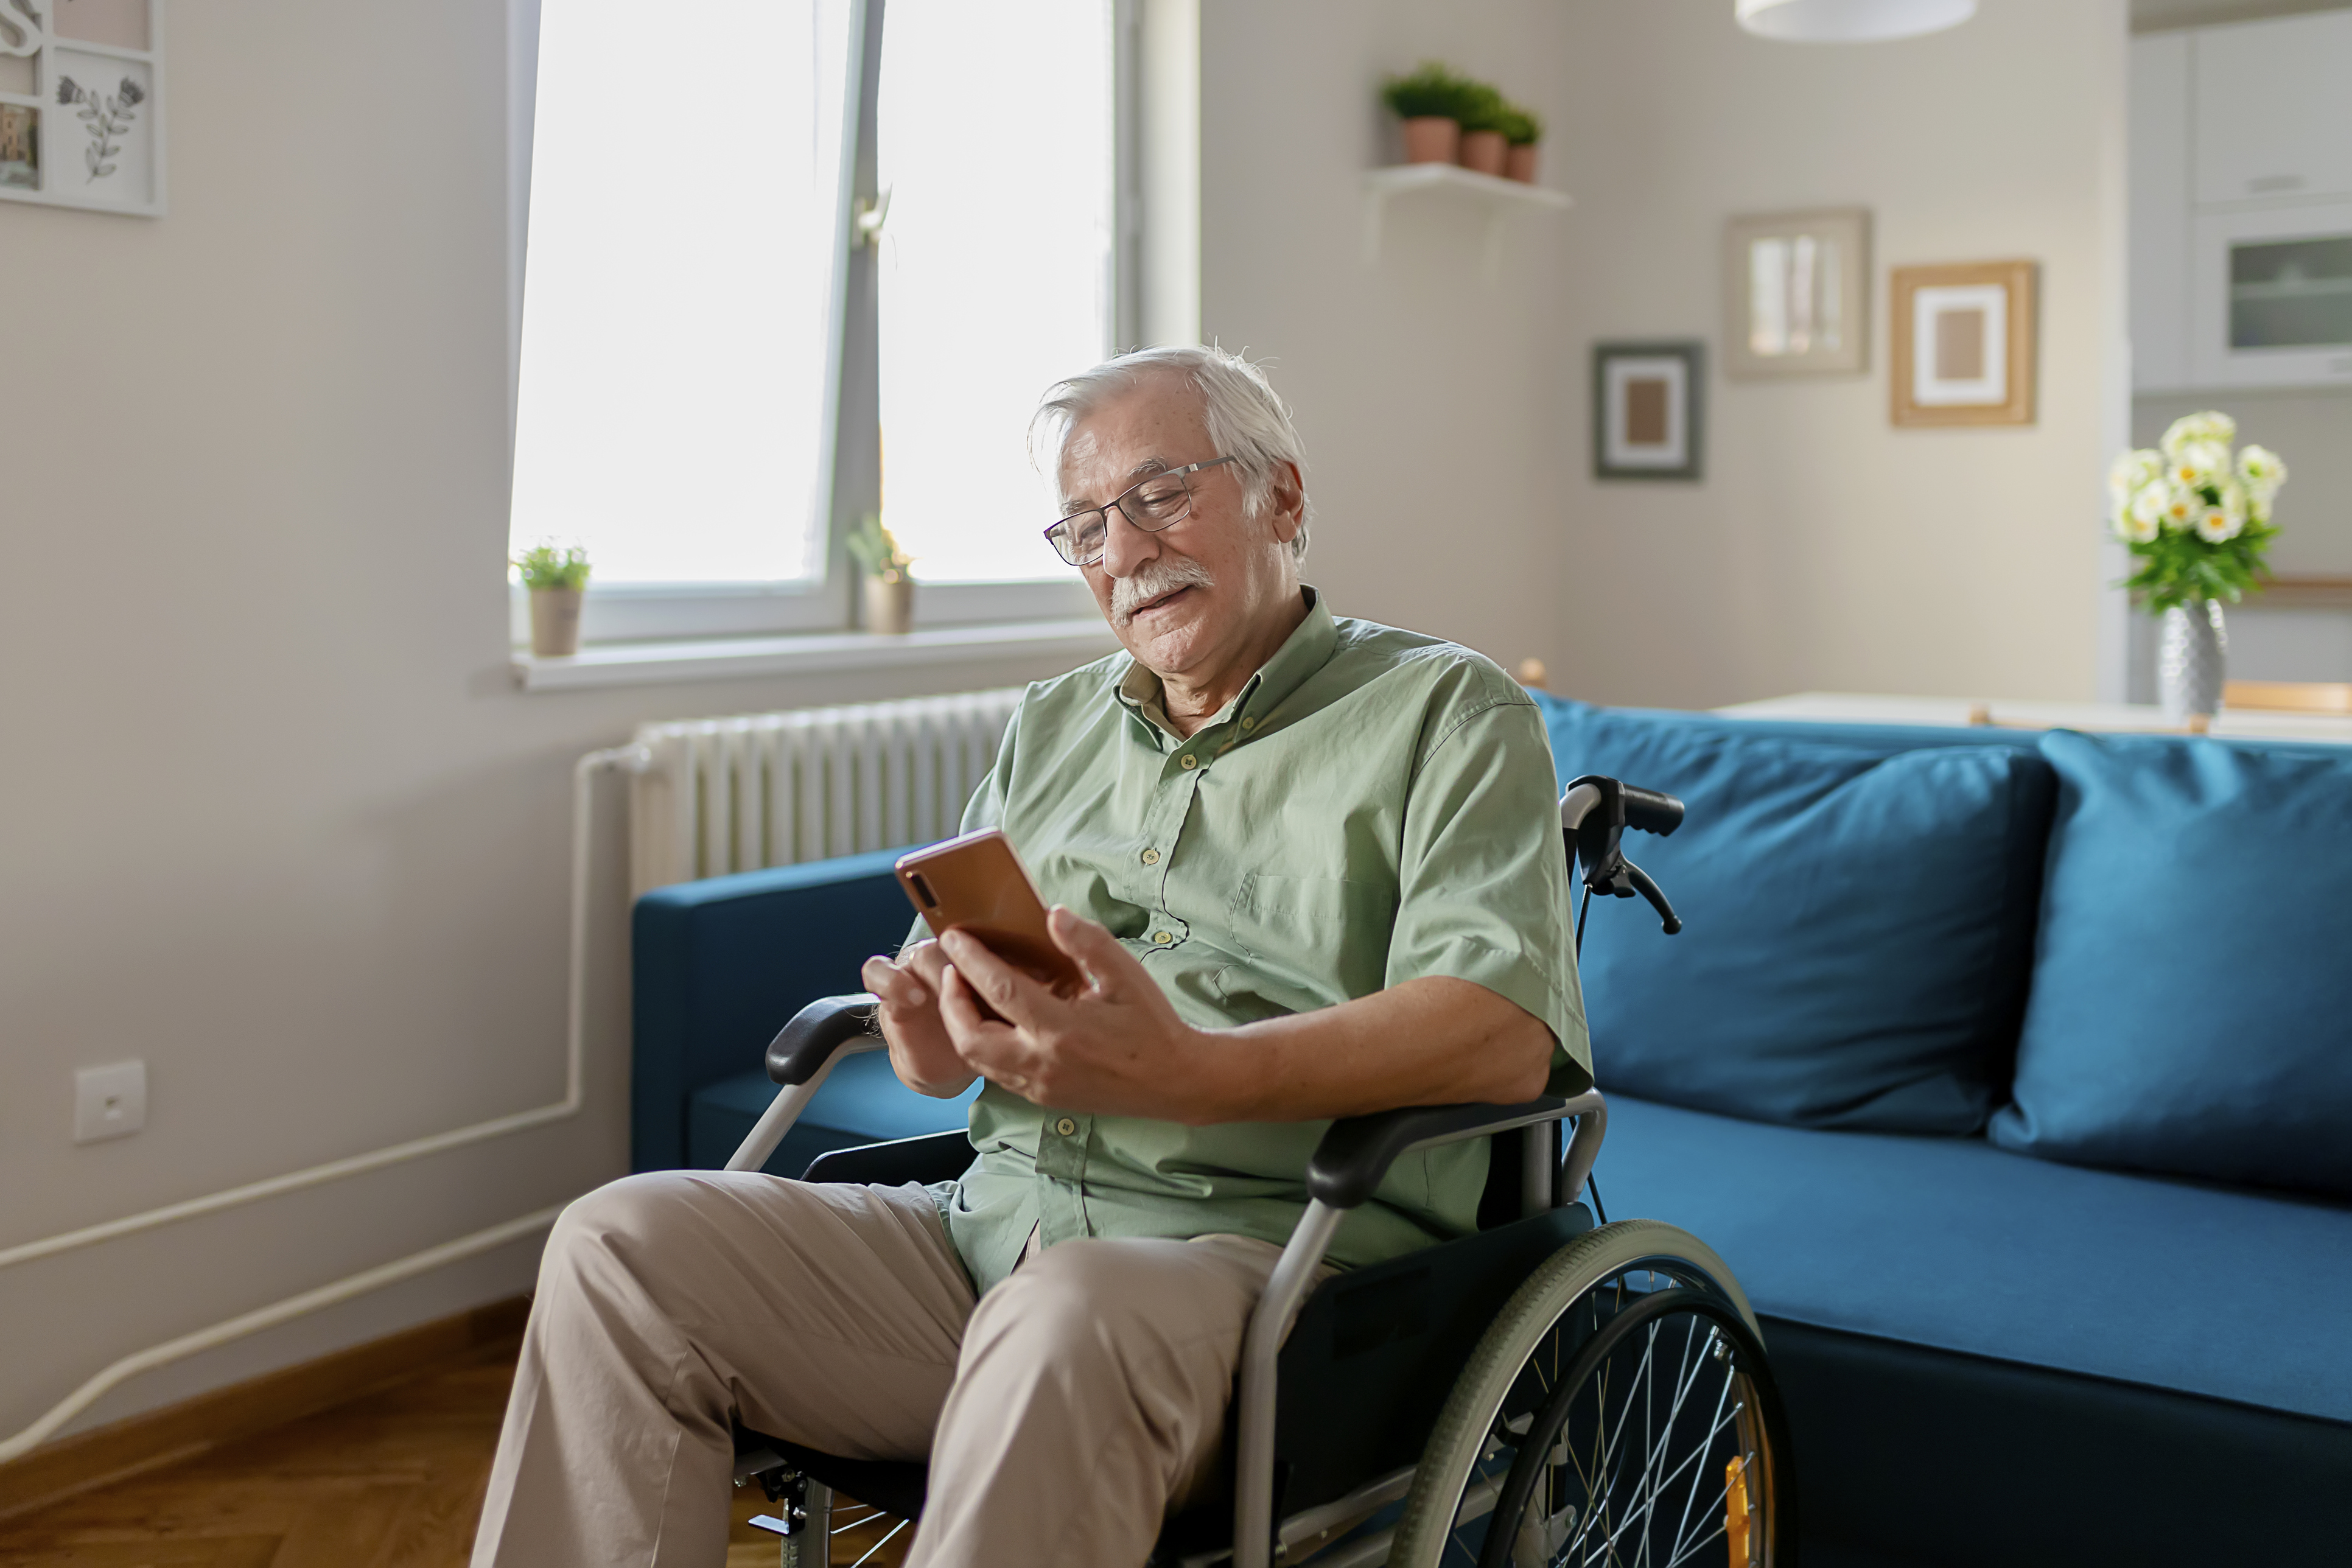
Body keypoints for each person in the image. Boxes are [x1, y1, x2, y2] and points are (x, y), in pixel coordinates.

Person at [468, 345, 1589, 1568]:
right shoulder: (1053, 724)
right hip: (986, 1243)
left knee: (1066, 1318)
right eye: (1087, 524)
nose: (1126, 549)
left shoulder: (1449, 711)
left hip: (1268, 1283)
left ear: (1284, 498)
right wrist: (937, 1037)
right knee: (619, 1244)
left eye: (1161, 494)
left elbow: (1498, 1030)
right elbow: (946, 1026)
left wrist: (1189, 1071)